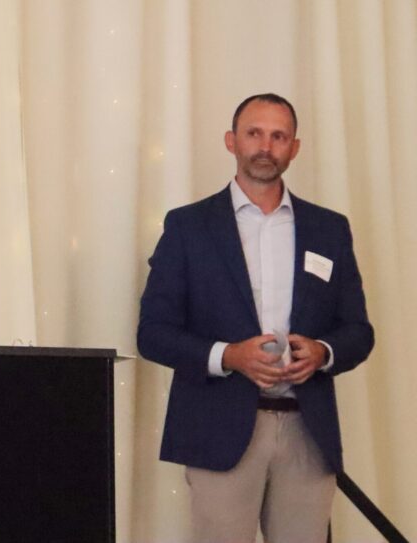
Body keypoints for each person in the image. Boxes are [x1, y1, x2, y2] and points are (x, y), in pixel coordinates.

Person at [137, 93, 374, 542]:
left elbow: (358, 331)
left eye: (279, 136)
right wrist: (229, 356)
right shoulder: (188, 227)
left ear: (294, 148)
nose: (266, 146)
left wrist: (324, 352)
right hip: (218, 430)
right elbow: (153, 334)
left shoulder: (330, 229)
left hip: (309, 431)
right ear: (231, 141)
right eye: (254, 133)